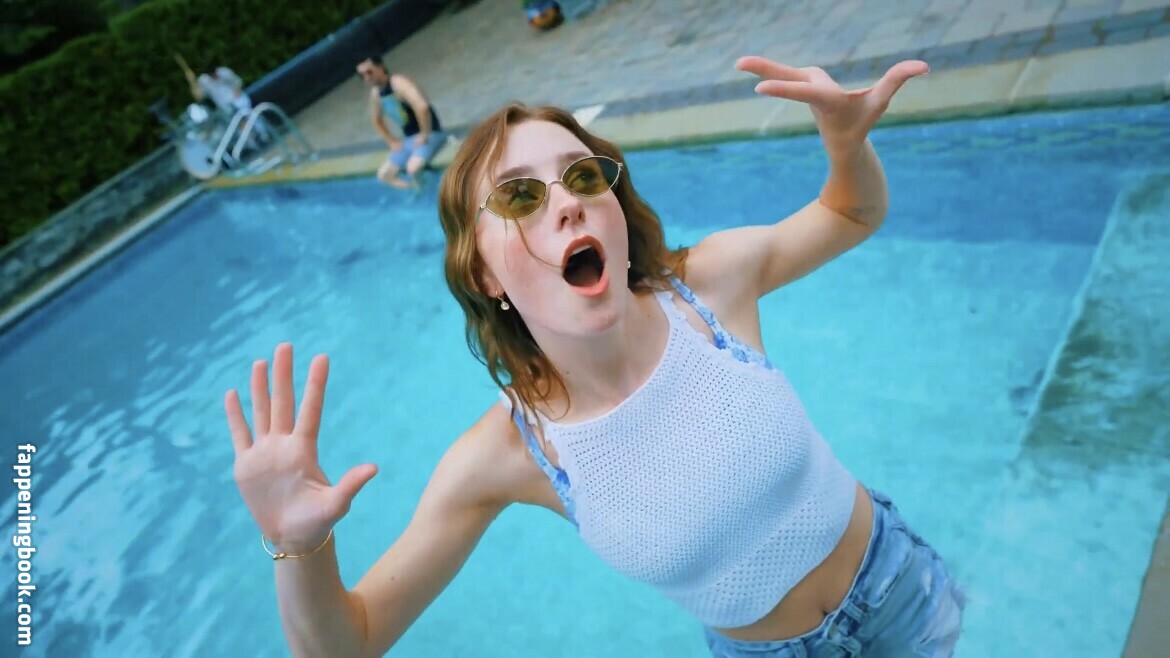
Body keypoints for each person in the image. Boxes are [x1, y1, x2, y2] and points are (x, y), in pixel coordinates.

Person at [223, 55, 967, 657]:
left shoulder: (709, 286)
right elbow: (348, 645)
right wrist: (298, 546)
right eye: (520, 197)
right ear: (483, 273)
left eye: (582, 176)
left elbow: (850, 212)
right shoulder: (507, 453)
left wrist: (847, 145)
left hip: (900, 590)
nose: (567, 201)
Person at [356, 55, 446, 189]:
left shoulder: (398, 83)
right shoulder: (376, 93)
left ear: (381, 68)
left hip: (431, 133)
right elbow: (376, 119)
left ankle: (427, 187)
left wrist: (424, 134)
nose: (367, 78)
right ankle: (416, 190)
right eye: (362, 75)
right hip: (409, 139)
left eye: (369, 72)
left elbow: (422, 107)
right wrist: (391, 141)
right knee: (384, 175)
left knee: (412, 169)